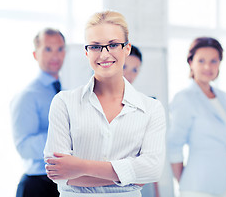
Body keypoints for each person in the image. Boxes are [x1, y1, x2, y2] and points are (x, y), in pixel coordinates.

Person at [44, 10, 166, 197]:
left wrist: (80, 166)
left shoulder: (151, 109)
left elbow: (152, 170)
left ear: (127, 49)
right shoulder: (64, 103)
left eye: (113, 45)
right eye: (95, 47)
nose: (104, 54)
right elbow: (58, 173)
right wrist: (129, 174)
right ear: (86, 52)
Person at [167, 37, 226, 197]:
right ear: (191, 62)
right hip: (197, 186)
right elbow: (174, 145)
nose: (208, 66)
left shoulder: (223, 97)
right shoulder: (185, 97)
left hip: (225, 183)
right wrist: (184, 182)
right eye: (201, 61)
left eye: (213, 61)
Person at [11, 28, 66, 197]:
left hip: (62, 183)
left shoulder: (65, 92)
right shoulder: (27, 96)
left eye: (60, 49)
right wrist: (64, 137)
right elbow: (24, 148)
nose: (55, 56)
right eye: (48, 49)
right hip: (37, 185)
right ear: (36, 54)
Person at [123, 45, 160, 197]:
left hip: (138, 181)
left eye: (135, 69)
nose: (129, 74)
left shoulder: (145, 105)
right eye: (124, 66)